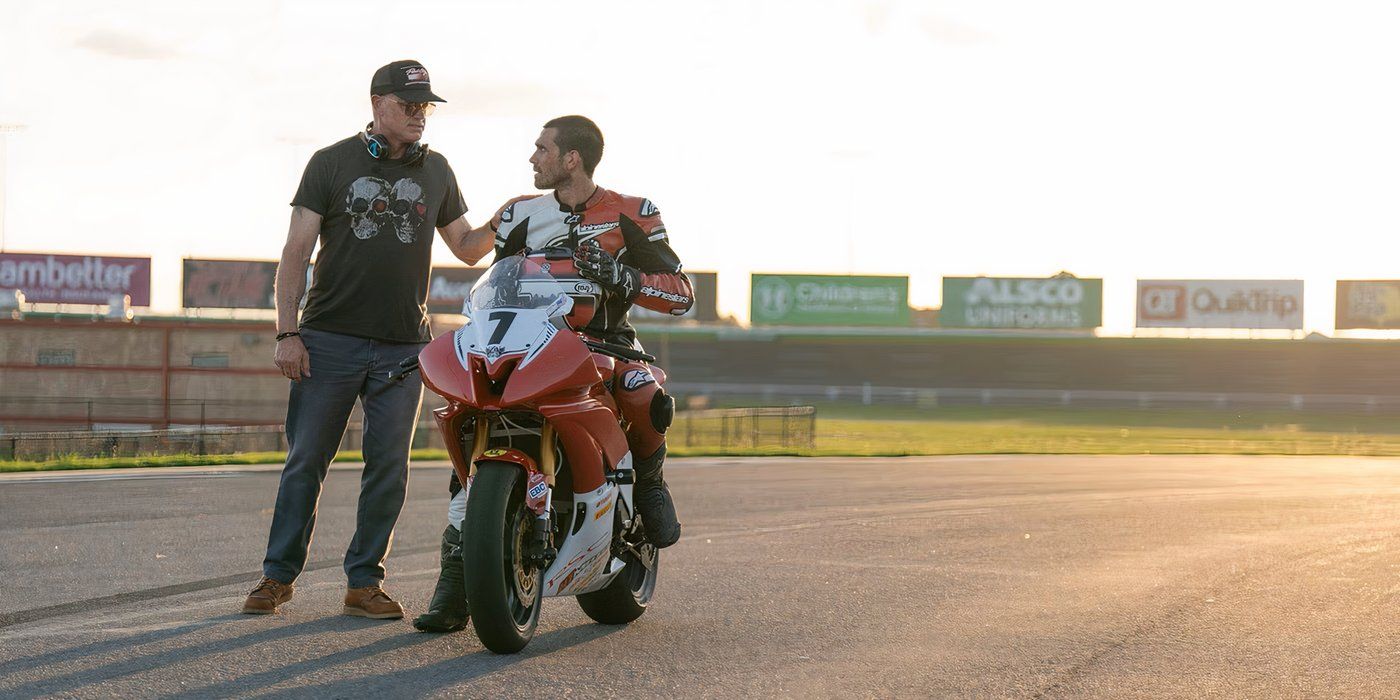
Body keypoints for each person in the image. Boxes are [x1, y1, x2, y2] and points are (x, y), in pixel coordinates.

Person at [242, 60, 508, 619]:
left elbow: (464, 246)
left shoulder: (436, 170)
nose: (419, 115)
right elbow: (295, 252)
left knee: (389, 466)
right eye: (409, 104)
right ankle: (277, 577)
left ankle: (364, 584)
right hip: (328, 340)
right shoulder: (330, 163)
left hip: (402, 349)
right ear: (377, 103)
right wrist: (287, 332)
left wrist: (507, 219)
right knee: (306, 461)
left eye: (425, 106)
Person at [412, 115, 693, 633]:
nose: (532, 158)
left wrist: (622, 275)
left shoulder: (633, 212)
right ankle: (455, 581)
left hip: (604, 345)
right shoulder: (519, 212)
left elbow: (680, 293)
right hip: (525, 343)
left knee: (640, 388)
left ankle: (649, 486)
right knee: (474, 415)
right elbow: (488, 273)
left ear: (572, 159)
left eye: (542, 149)